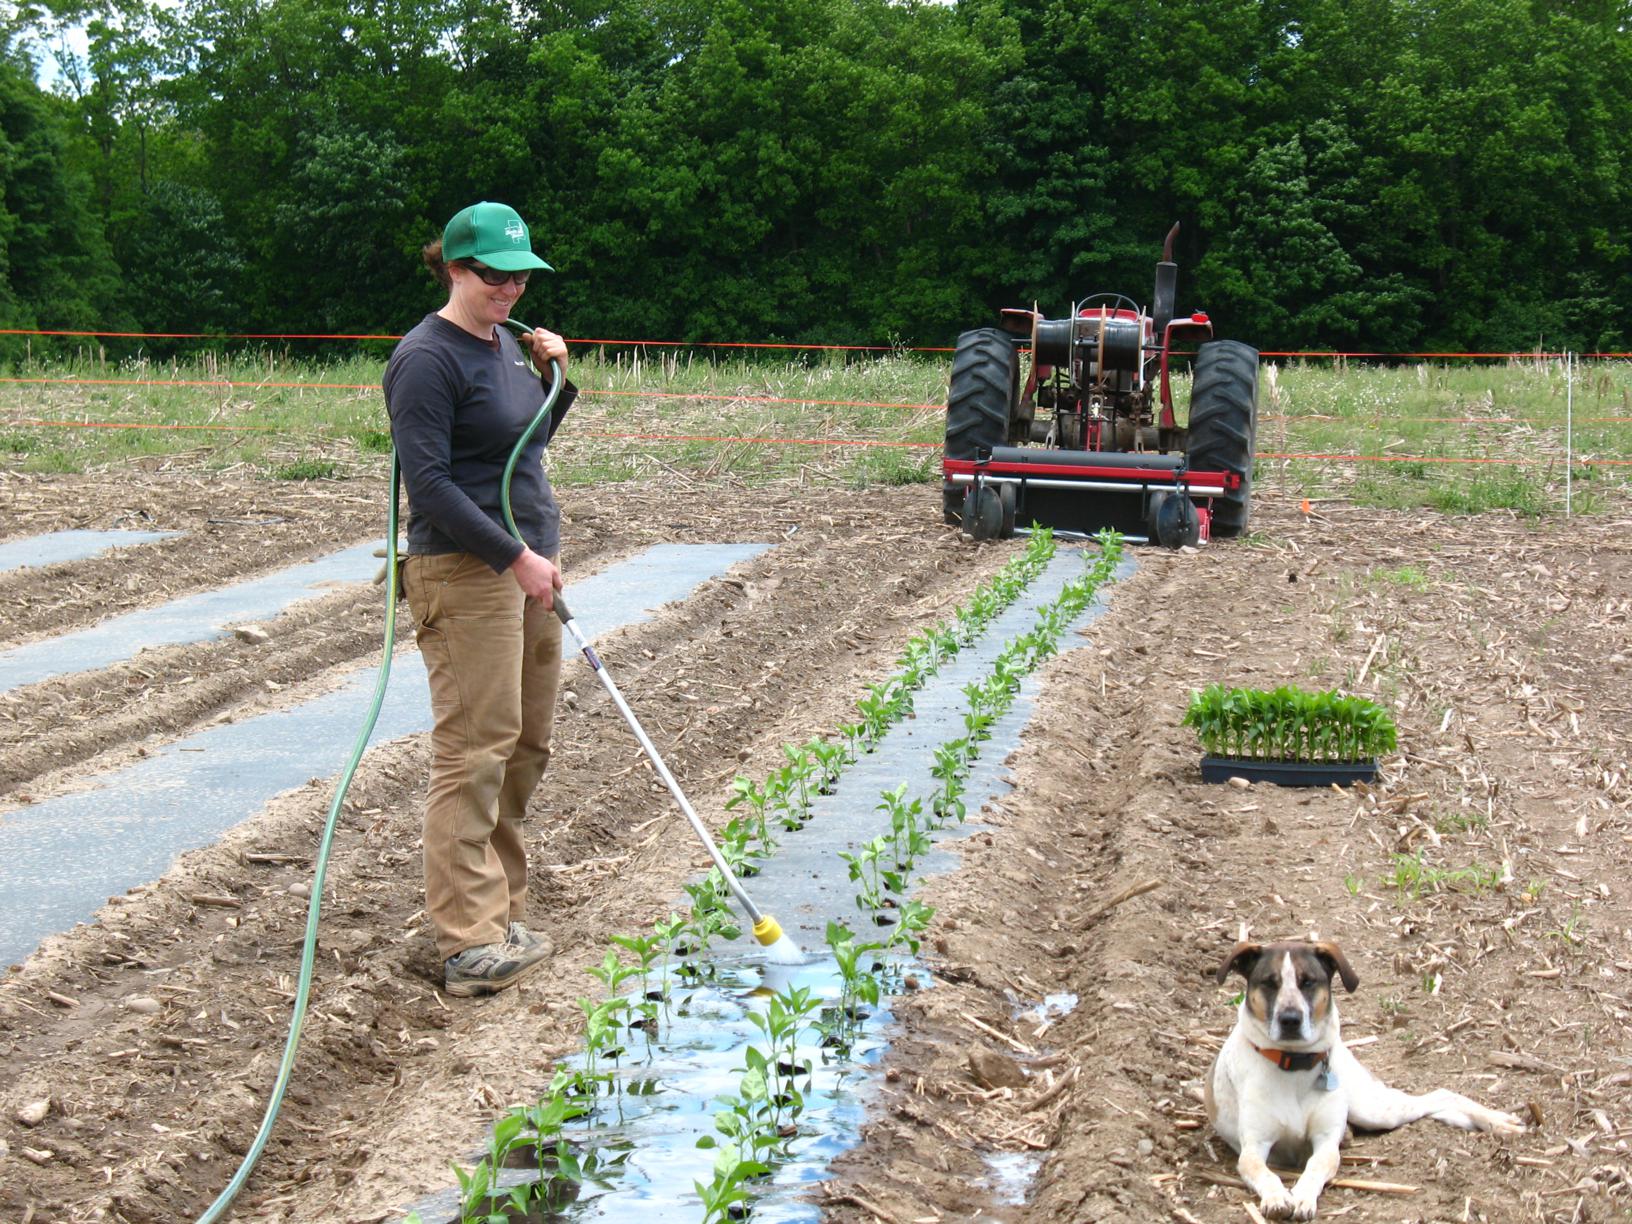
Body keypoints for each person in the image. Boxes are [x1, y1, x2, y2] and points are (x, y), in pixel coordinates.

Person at [383, 201, 575, 997]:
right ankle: (467, 943)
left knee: (525, 745)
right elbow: (427, 484)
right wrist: (515, 557)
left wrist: (555, 382)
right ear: (456, 269)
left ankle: (501, 916)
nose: (511, 289)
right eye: (495, 276)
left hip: (526, 568)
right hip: (467, 575)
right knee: (474, 749)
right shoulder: (424, 359)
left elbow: (522, 445)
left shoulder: (503, 345)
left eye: (521, 275)